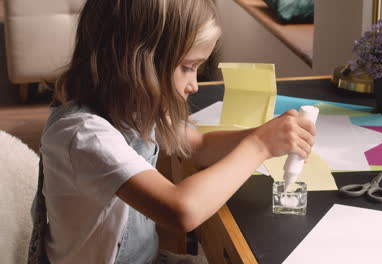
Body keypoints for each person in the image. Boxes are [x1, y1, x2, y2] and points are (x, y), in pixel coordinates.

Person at [28, 0, 316, 263]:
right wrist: (259, 146)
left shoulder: (133, 107)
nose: (194, 85)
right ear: (137, 63)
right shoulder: (84, 135)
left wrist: (267, 133)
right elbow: (181, 210)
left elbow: (200, 144)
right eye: (188, 67)